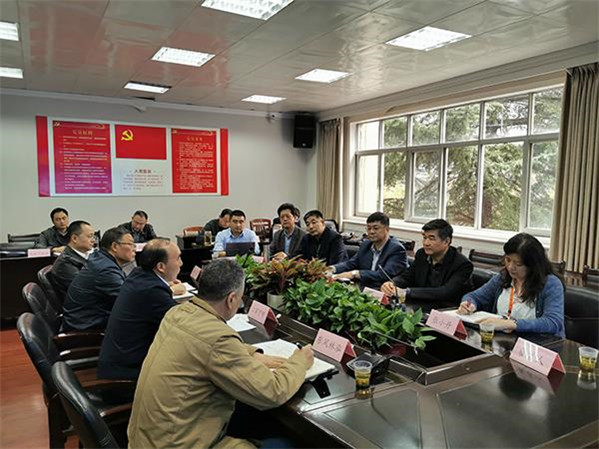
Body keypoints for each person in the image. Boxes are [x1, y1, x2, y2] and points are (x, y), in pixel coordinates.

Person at [127, 259, 314, 449]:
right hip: (178, 444)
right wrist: (299, 361)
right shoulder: (218, 339)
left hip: (147, 440)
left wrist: (251, 353)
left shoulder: (177, 312)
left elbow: (203, 343)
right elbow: (273, 392)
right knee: (286, 444)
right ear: (231, 299)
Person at [97, 239, 182, 380]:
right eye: (178, 258)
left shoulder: (139, 274)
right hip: (128, 372)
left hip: (118, 360)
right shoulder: (153, 290)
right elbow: (183, 323)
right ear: (161, 266)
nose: (181, 263)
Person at [458, 233, 565, 337]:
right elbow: (474, 296)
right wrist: (469, 304)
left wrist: (511, 324)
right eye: (508, 260)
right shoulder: (502, 278)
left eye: (518, 264)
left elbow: (553, 322)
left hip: (537, 344)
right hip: (504, 340)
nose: (510, 267)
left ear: (533, 265)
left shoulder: (551, 284)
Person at [381, 219, 473, 309]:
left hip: (445, 308)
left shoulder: (462, 264)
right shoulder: (422, 254)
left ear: (446, 241)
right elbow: (407, 277)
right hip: (420, 303)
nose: (426, 243)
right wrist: (392, 283)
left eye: (431, 238)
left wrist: (407, 292)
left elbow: (445, 292)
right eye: (424, 237)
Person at [62, 227, 136, 331]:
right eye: (131, 244)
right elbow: (129, 301)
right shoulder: (106, 270)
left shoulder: (100, 258)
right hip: (87, 328)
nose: (134, 248)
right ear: (115, 246)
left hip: (87, 319)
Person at [330, 212, 407, 289]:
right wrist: (332, 269)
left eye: (376, 228)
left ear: (387, 229)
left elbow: (383, 275)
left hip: (383, 290)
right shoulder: (366, 244)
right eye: (369, 228)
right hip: (364, 287)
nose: (371, 232)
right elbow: (351, 263)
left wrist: (355, 273)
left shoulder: (396, 249)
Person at [49, 220, 96, 303]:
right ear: (74, 238)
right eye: (89, 236)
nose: (93, 240)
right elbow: (85, 290)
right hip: (83, 306)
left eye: (94, 237)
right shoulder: (65, 264)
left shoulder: (86, 255)